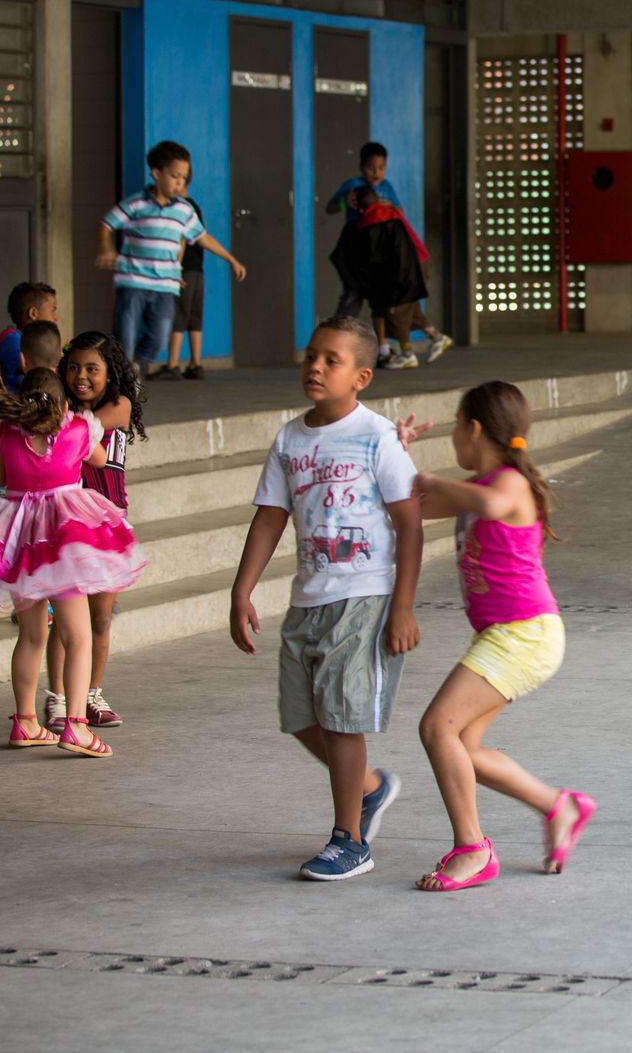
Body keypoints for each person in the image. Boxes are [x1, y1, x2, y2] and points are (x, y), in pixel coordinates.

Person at [230, 317, 422, 882]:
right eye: (311, 356)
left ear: (361, 376)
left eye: (331, 360)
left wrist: (404, 605)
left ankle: (349, 840)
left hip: (365, 595)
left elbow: (409, 524)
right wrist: (242, 589)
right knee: (301, 717)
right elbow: (270, 515)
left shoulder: (377, 436)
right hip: (307, 598)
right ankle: (368, 787)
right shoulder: (291, 438)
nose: (315, 366)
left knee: (341, 719)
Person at [405, 380, 595, 892]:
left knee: (436, 728)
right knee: (460, 745)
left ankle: (472, 849)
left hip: (524, 635)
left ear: (472, 429)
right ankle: (560, 806)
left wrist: (432, 478)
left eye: (453, 429)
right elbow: (407, 510)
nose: (452, 441)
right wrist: (396, 461)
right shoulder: (480, 491)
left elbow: (488, 505)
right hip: (509, 636)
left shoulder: (509, 484)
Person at [0, 371, 145, 759]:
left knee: (32, 636)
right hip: (63, 541)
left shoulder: (3, 431)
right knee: (78, 636)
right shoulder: (78, 428)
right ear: (64, 404)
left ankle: (25, 722)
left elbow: (3, 478)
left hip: (18, 538)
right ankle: (76, 727)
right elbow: (101, 462)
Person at [42, 331, 146, 733]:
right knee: (67, 620)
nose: (81, 376)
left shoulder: (117, 405)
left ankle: (90, 694)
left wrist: (54, 416)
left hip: (108, 525)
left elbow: (82, 431)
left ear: (111, 373)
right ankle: (58, 698)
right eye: (72, 367)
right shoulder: (60, 406)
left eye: (92, 369)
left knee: (100, 618)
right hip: (67, 526)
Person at [97, 141, 245, 375]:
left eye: (184, 178)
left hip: (166, 285)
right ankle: (121, 372)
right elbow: (107, 224)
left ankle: (134, 366)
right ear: (157, 174)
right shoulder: (136, 203)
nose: (180, 183)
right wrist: (106, 248)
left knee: (160, 336)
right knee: (124, 334)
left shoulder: (185, 210)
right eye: (175, 176)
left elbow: (203, 238)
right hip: (133, 281)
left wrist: (231, 259)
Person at [329, 186, 451, 367]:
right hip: (413, 264)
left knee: (398, 308)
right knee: (407, 305)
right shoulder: (388, 213)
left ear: (359, 207)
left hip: (406, 269)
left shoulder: (375, 225)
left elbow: (397, 259)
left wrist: (396, 290)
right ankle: (435, 336)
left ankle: (407, 352)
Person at [326, 142, 403, 321]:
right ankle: (340, 331)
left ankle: (383, 345)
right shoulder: (353, 185)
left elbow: (400, 212)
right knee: (353, 291)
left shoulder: (386, 187)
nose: (376, 173)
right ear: (361, 167)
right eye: (370, 167)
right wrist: (344, 202)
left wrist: (386, 207)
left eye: (381, 168)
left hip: (379, 245)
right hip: (356, 242)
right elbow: (329, 208)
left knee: (383, 293)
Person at [0, 281, 59, 393]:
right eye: (53, 310)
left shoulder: (15, 338)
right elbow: (40, 381)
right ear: (33, 313)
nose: (55, 318)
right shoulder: (13, 341)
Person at [163, 199, 208, 380]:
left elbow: (181, 237)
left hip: (184, 271)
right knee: (195, 318)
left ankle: (172, 364)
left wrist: (176, 268)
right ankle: (196, 363)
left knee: (179, 315)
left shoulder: (179, 207)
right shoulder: (194, 206)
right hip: (198, 271)